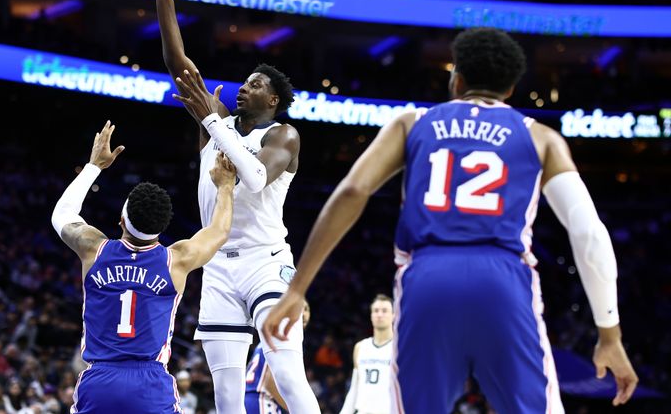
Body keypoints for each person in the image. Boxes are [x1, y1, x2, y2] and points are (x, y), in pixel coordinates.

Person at [263, 27, 640, 413]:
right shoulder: (542, 138)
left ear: (456, 79)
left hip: (427, 277)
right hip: (505, 282)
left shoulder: (412, 123)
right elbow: (588, 233)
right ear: (511, 90)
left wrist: (297, 289)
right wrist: (609, 333)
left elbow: (352, 192)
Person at [143, 0, 320, 413]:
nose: (245, 86)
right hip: (218, 265)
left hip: (267, 263)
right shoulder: (216, 122)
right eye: (245, 81)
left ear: (274, 100)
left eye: (257, 83)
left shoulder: (282, 134)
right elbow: (178, 63)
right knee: (225, 396)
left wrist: (211, 122)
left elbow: (257, 175)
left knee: (286, 372)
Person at [50, 120, 237, 413]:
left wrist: (93, 166)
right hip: (149, 382)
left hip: (99, 380)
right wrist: (225, 187)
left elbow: (62, 213)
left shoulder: (93, 248)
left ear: (122, 221)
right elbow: (219, 231)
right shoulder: (177, 259)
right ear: (161, 230)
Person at [244, 300, 310, 414]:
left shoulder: (269, 337)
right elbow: (270, 383)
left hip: (250, 399)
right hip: (262, 400)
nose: (303, 313)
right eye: (300, 307)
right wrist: (295, 409)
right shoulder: (284, 338)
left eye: (306, 309)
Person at [338, 295, 394, 414]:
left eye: (384, 311)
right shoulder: (360, 347)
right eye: (376, 311)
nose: (379, 314)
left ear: (393, 315)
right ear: (371, 315)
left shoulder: (399, 349)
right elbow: (354, 388)